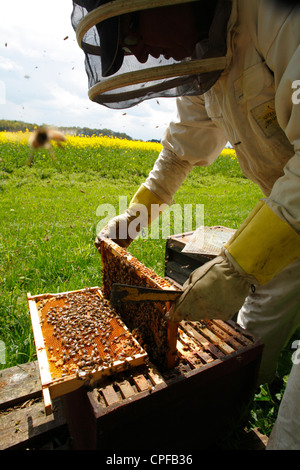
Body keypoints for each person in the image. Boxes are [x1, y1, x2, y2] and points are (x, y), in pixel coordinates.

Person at [72, 0, 300, 449]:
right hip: (289, 211)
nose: (139, 55)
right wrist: (134, 218)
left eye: (132, 33)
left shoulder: (279, 17)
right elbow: (181, 151)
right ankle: (231, 415)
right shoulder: (202, 60)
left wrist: (235, 267)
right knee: (247, 343)